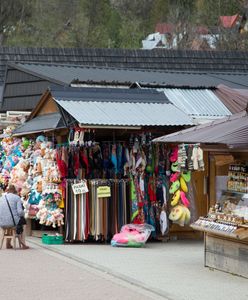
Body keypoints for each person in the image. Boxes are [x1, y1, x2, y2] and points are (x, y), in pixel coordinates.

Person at [0, 184, 29, 249]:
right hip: (13, 222)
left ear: (7, 191)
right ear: (14, 191)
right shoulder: (17, 198)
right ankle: (23, 243)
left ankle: (8, 243)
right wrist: (23, 214)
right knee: (23, 223)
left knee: (10, 223)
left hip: (2, 222)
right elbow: (20, 212)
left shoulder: (1, 198)